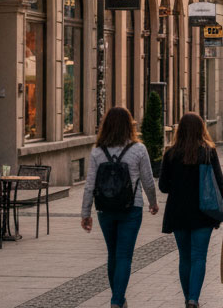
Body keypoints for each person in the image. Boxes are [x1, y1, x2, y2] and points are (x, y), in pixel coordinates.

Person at [80, 107, 159, 308]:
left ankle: (119, 299)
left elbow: (90, 184)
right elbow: (148, 180)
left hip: (105, 209)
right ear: (129, 125)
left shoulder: (97, 151)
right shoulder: (138, 149)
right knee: (124, 255)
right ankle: (116, 301)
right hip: (131, 208)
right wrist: (153, 202)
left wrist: (85, 213)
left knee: (113, 254)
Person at [159, 113, 223, 308]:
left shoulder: (170, 154)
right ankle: (193, 299)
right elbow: (220, 182)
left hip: (178, 212)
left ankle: (187, 298)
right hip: (203, 212)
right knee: (199, 256)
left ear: (180, 130)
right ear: (201, 129)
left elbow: (163, 187)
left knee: (185, 257)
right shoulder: (208, 152)